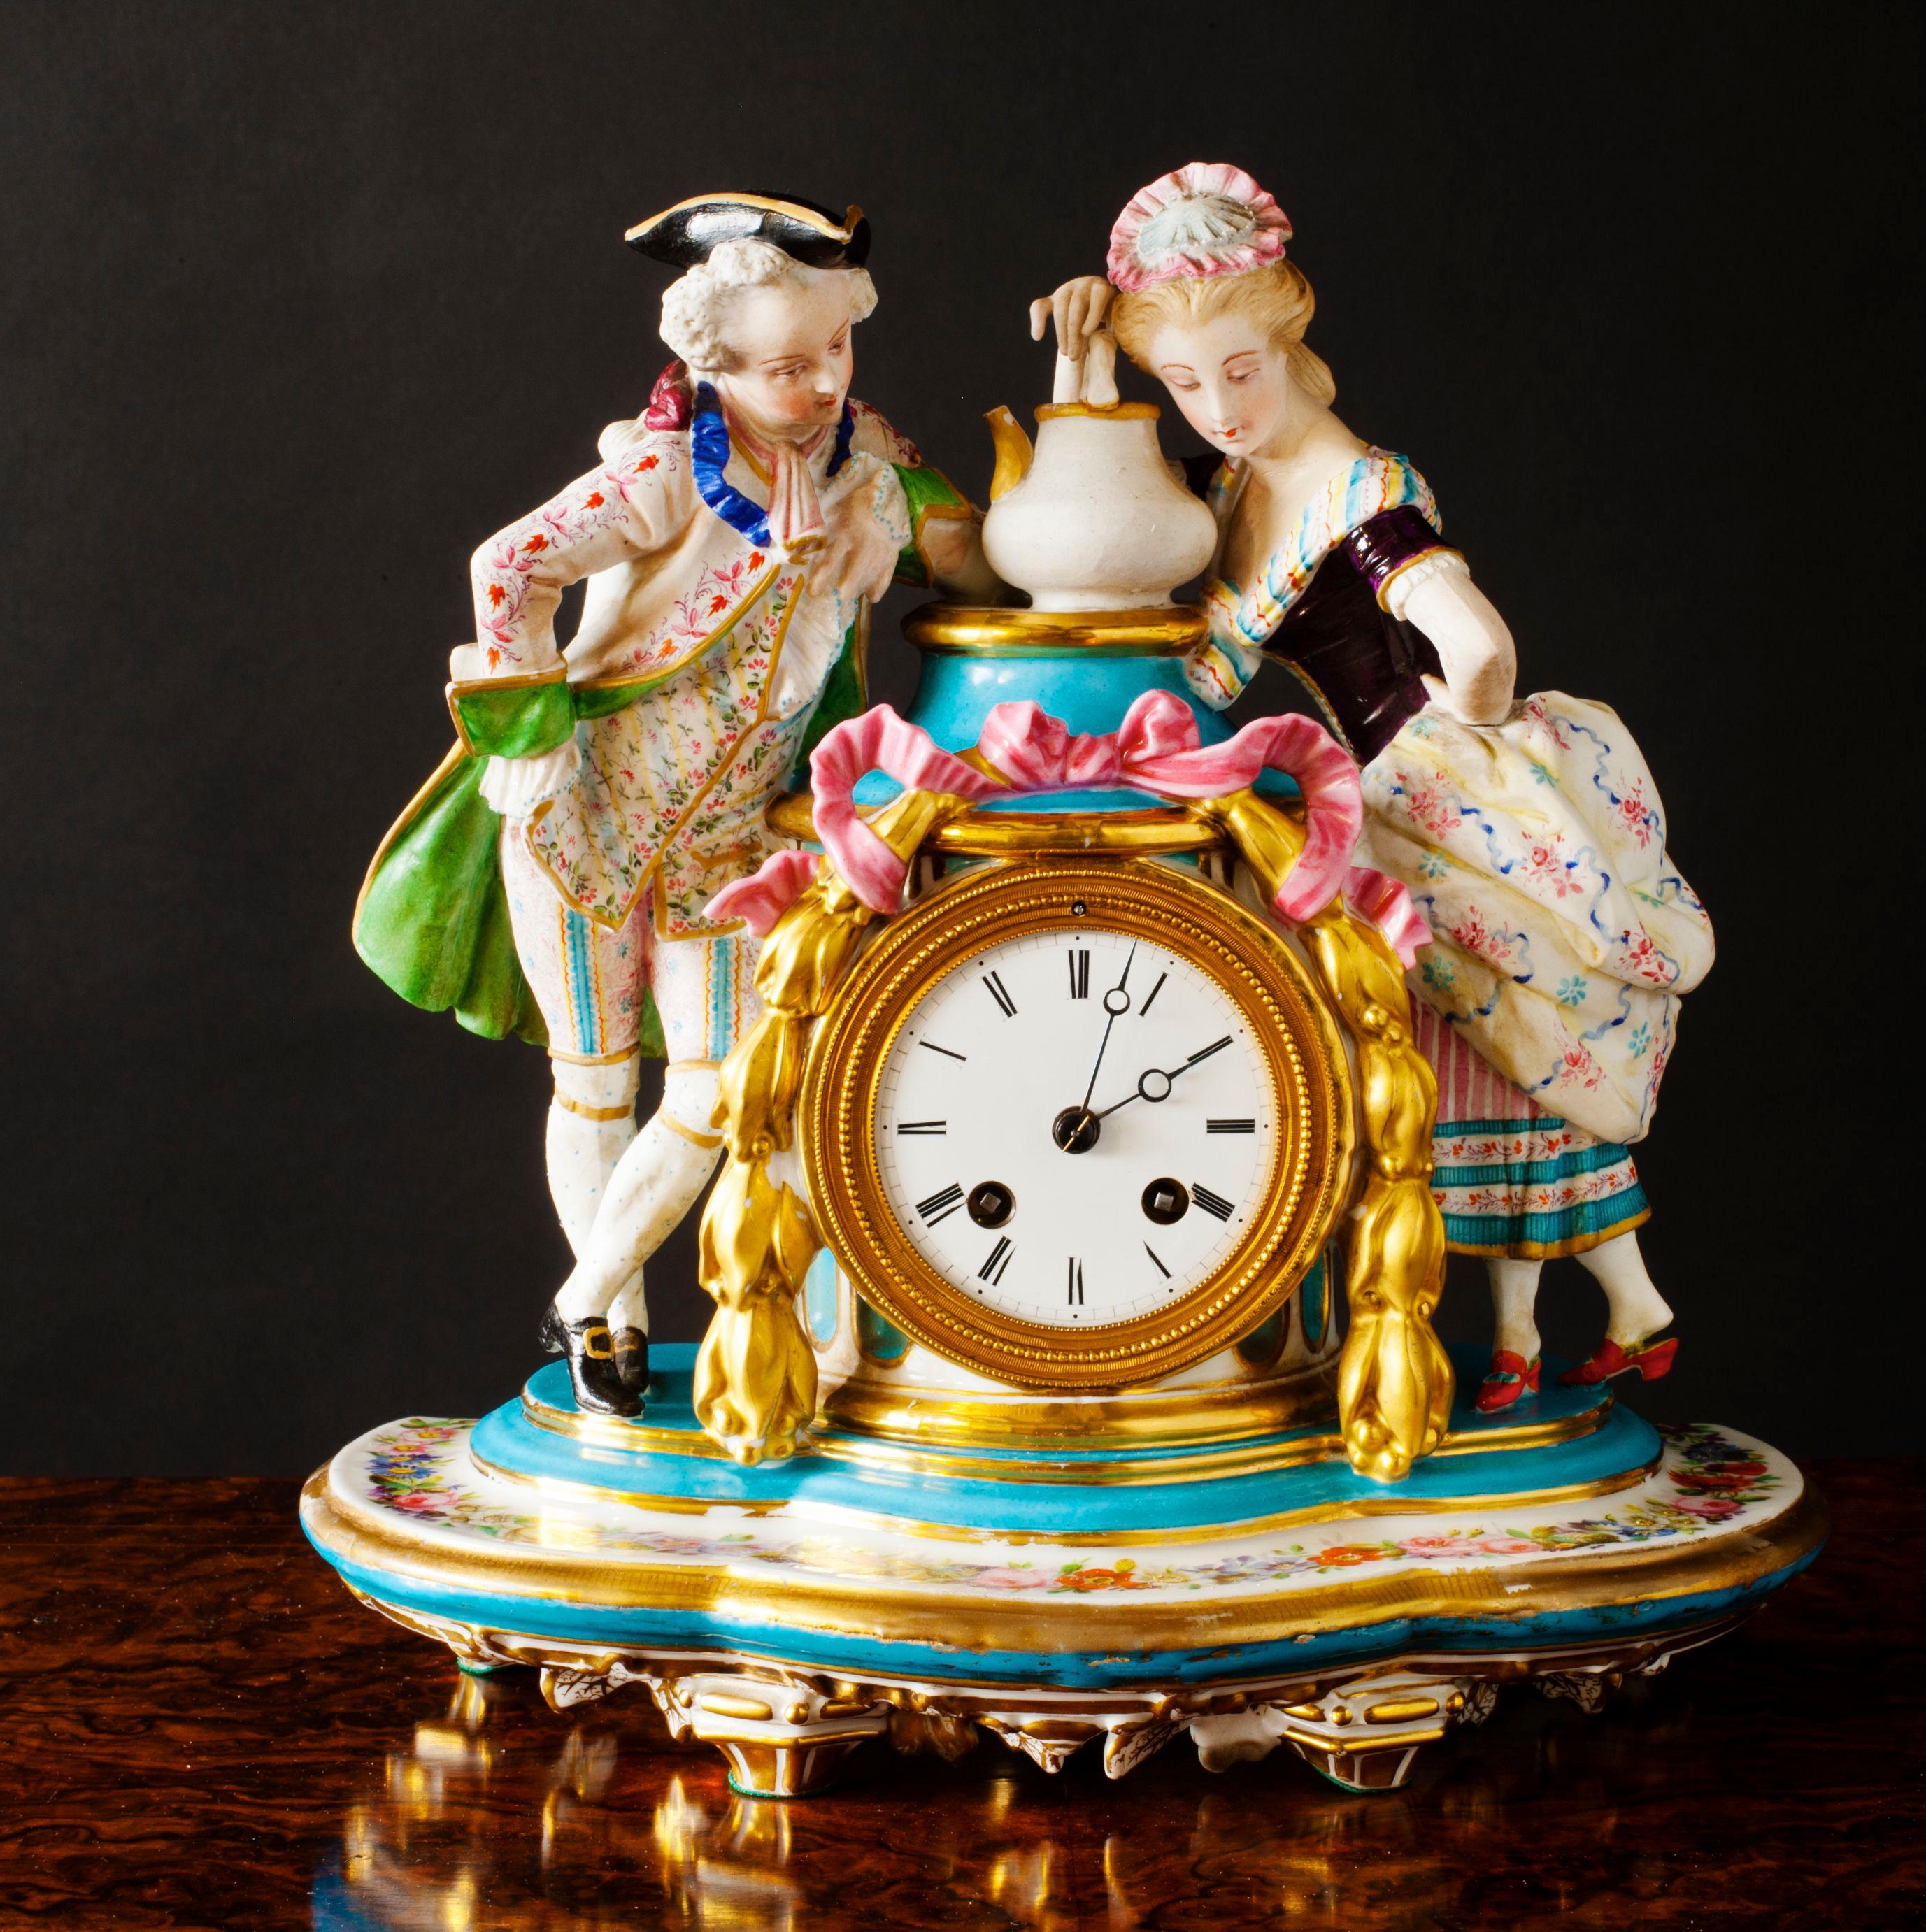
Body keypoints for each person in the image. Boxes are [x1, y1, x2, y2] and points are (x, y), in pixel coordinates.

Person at [1034, 164, 1713, 1411]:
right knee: (1475, 1052)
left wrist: (1473, 723)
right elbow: (1107, 532)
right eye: (1185, 384)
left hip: (1432, 792)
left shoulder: (1359, 497)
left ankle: (1593, 1310)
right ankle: (1550, 1324)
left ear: (1292, 340)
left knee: (1502, 1049)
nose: (1217, 406)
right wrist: (1084, 371)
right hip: (1379, 793)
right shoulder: (1245, 482)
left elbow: (1477, 643)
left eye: (1240, 370)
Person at [357, 192, 996, 1415]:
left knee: (713, 1088)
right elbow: (509, 566)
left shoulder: (869, 462)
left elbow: (977, 556)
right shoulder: (665, 473)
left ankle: (593, 1284)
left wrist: (904, 509)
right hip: (585, 821)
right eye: (783, 367)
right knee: (593, 1081)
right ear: (715, 365)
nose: (818, 386)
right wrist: (530, 717)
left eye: (835, 354)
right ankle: (621, 1334)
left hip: (733, 844)